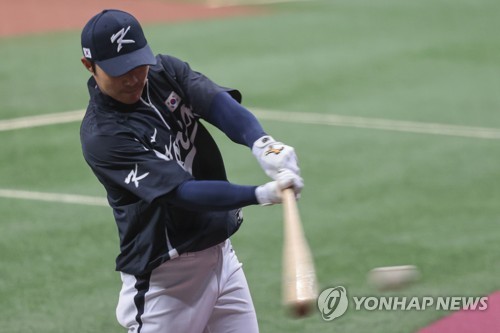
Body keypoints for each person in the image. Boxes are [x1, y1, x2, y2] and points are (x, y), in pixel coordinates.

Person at [79, 9, 303, 333]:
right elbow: (182, 192)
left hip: (222, 258)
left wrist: (264, 144)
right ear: (90, 66)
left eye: (137, 64)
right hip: (166, 282)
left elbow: (216, 104)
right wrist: (260, 194)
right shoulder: (103, 135)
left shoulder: (165, 71)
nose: (132, 77)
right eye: (119, 70)